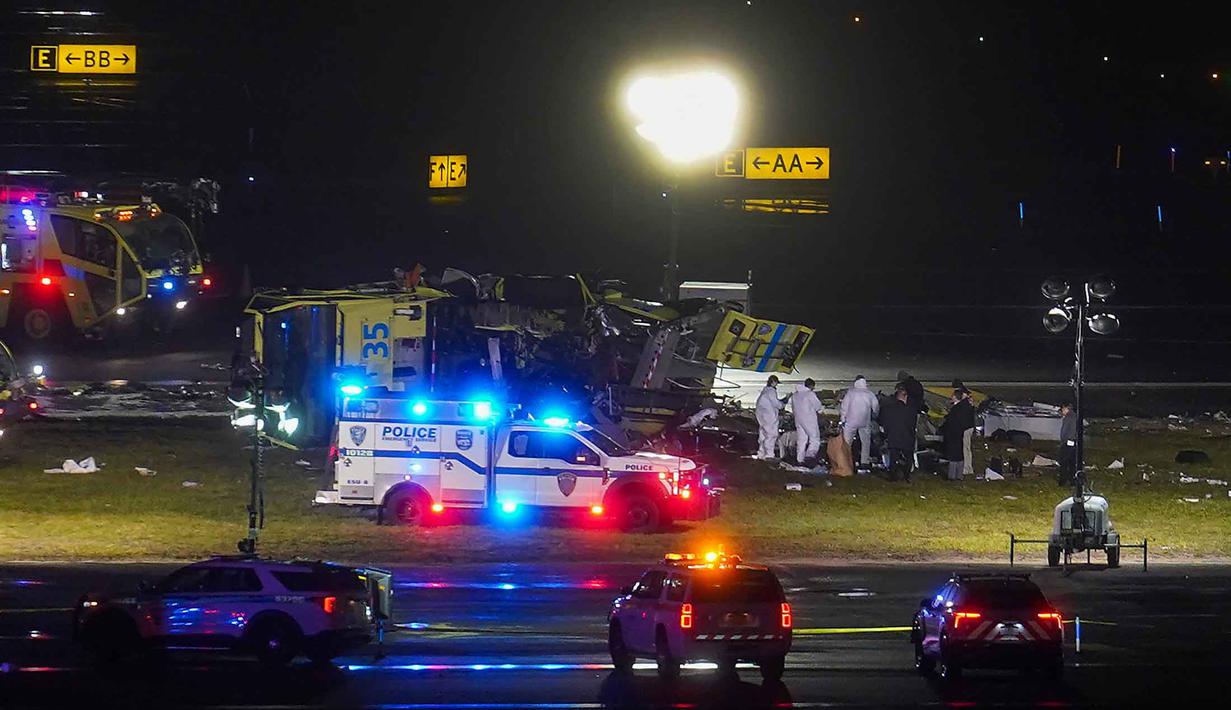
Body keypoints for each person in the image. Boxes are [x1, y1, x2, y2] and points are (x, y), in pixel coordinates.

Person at [878, 384, 917, 481]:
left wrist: (887, 432)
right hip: (907, 436)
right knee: (908, 457)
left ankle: (892, 475)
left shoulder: (889, 409)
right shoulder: (910, 410)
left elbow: (883, 421)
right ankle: (907, 475)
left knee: (893, 457)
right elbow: (913, 424)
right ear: (905, 396)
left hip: (893, 436)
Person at [839, 375, 879, 467]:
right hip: (865, 421)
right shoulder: (869, 393)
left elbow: (844, 407)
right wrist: (874, 415)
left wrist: (843, 419)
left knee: (847, 442)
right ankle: (864, 461)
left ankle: (845, 460)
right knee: (865, 442)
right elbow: (876, 407)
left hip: (851, 422)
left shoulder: (851, 393)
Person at [941, 386, 976, 481]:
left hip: (961, 431)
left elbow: (956, 421)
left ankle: (963, 470)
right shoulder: (965, 404)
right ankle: (963, 471)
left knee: (963, 450)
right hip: (965, 429)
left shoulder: (959, 408)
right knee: (964, 450)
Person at [790, 378, 823, 465]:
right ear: (811, 386)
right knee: (814, 438)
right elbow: (818, 406)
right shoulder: (810, 394)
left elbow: (793, 408)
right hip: (809, 419)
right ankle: (809, 457)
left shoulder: (795, 395)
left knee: (802, 440)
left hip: (798, 420)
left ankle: (799, 459)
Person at [754, 375, 786, 459]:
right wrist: (782, 404)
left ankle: (761, 454)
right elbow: (776, 403)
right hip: (769, 416)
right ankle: (769, 455)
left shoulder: (764, 391)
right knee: (771, 435)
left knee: (763, 435)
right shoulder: (771, 391)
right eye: (776, 383)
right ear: (773, 382)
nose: (776, 385)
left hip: (761, 415)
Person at [1057, 402, 1078, 486]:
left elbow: (1067, 431)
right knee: (1072, 463)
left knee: (1064, 462)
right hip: (1074, 443)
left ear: (1066, 408)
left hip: (1068, 443)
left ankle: (1063, 481)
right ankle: (1073, 480)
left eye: (1062, 409)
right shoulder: (1075, 416)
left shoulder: (1068, 417)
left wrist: (1065, 441)